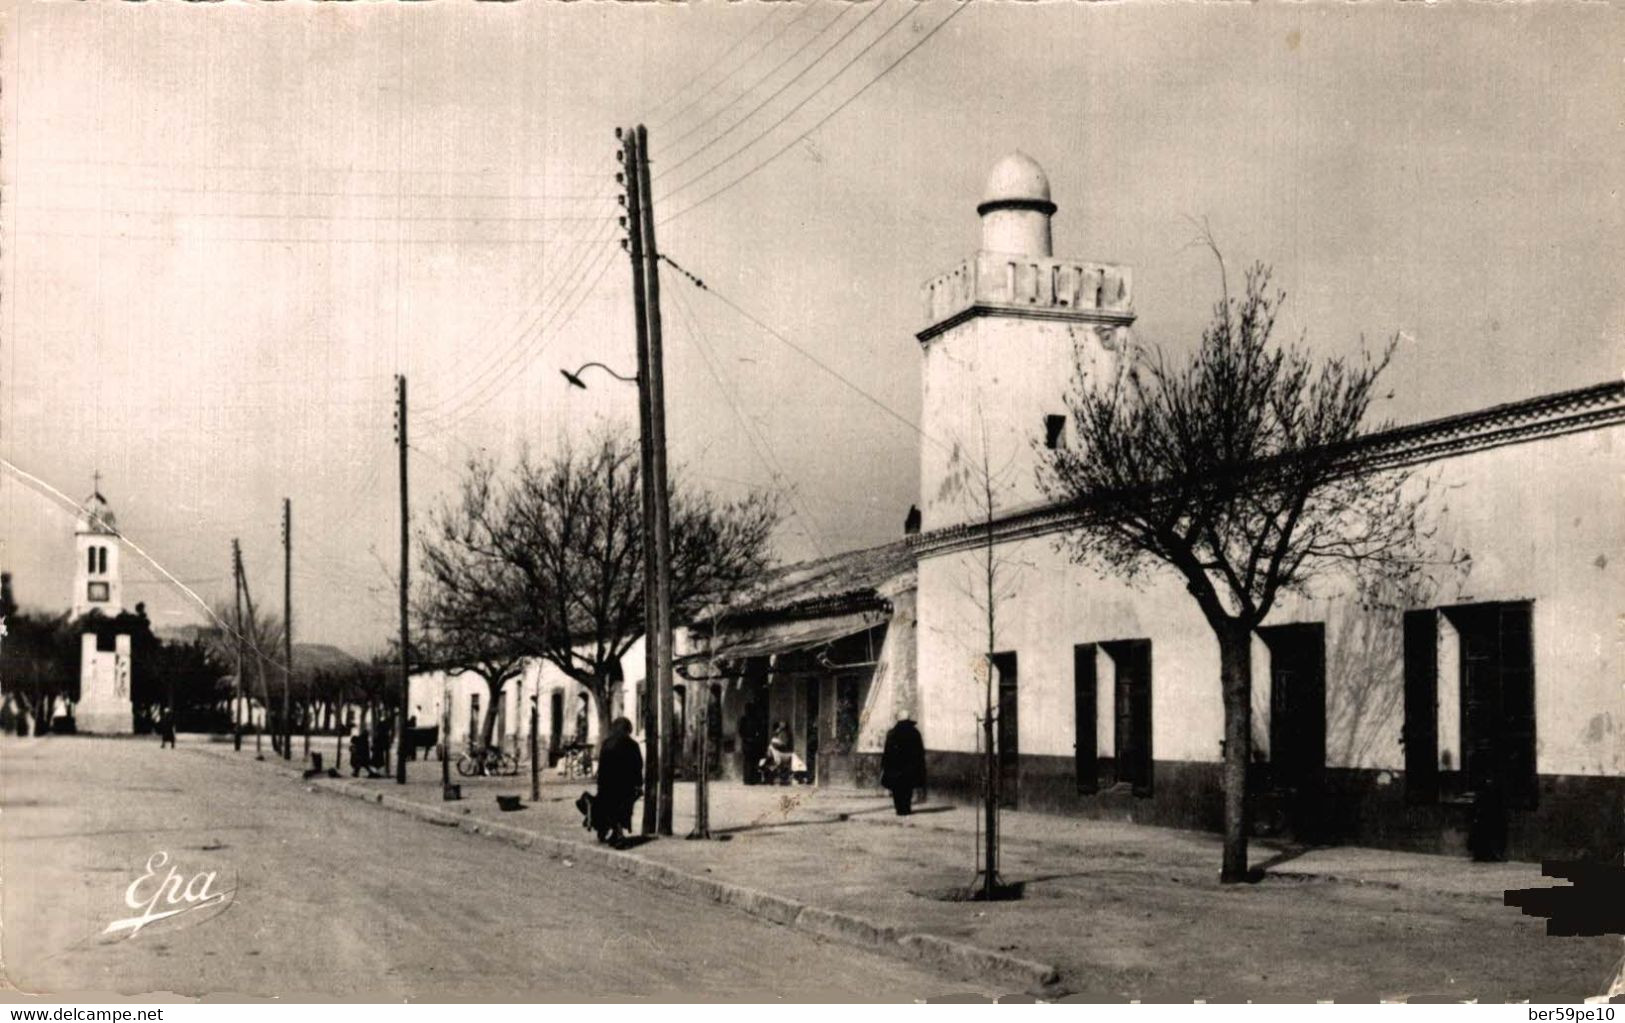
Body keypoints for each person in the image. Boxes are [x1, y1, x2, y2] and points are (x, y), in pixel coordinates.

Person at [595, 716, 643, 847]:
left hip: (608, 785)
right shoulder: (633, 745)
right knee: (624, 808)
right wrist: (639, 784)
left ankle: (615, 831)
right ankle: (618, 832)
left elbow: (601, 767)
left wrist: (600, 785)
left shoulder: (606, 744)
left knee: (610, 807)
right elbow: (638, 766)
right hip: (626, 786)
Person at [881, 718, 927, 816]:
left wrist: (884, 766)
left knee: (896, 789)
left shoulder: (892, 733)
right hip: (909, 768)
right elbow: (920, 752)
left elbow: (887, 752)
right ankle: (906, 808)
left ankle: (899, 809)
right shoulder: (914, 733)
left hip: (895, 768)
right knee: (907, 789)